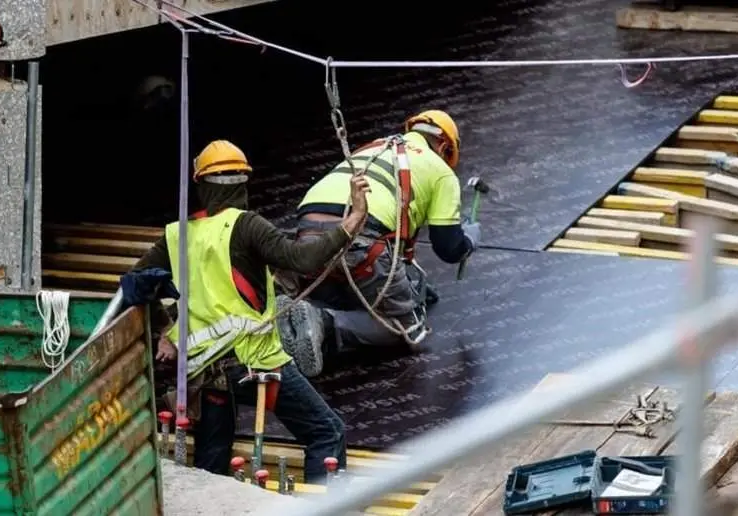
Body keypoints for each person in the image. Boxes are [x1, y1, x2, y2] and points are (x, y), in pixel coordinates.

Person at [127, 139, 372, 483]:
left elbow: (135, 284)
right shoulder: (246, 225)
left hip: (207, 372)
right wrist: (353, 220)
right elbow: (303, 259)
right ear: (244, 183)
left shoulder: (177, 235)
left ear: (201, 185)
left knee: (211, 465)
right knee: (326, 432)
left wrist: (165, 330)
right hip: (255, 365)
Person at [285, 109, 481, 377]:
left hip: (307, 234)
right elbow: (448, 247)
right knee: (407, 327)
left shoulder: (374, 148)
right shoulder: (441, 172)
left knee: (346, 293)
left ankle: (296, 320)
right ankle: (324, 324)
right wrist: (469, 239)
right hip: (361, 240)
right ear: (445, 147)